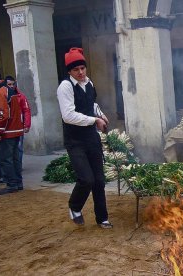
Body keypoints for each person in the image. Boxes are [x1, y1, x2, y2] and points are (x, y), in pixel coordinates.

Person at [57, 47, 112, 229]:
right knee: (86, 179)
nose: (80, 72)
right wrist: (94, 120)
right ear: (69, 71)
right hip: (75, 141)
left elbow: (92, 104)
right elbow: (68, 115)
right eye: (76, 70)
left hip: (91, 138)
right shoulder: (65, 87)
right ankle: (74, 206)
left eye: (82, 68)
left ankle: (102, 218)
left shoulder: (89, 83)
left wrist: (101, 115)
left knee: (99, 180)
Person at [0, 69, 24, 195]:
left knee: (6, 159)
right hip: (16, 129)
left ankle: (12, 184)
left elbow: (2, 114)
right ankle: (18, 182)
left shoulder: (1, 92)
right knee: (15, 158)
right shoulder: (12, 90)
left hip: (8, 130)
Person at [5, 75, 31, 169]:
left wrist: (26, 125)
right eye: (9, 84)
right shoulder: (2, 96)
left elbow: (26, 110)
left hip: (19, 127)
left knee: (19, 148)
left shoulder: (21, 96)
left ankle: (17, 168)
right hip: (7, 127)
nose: (11, 86)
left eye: (13, 84)